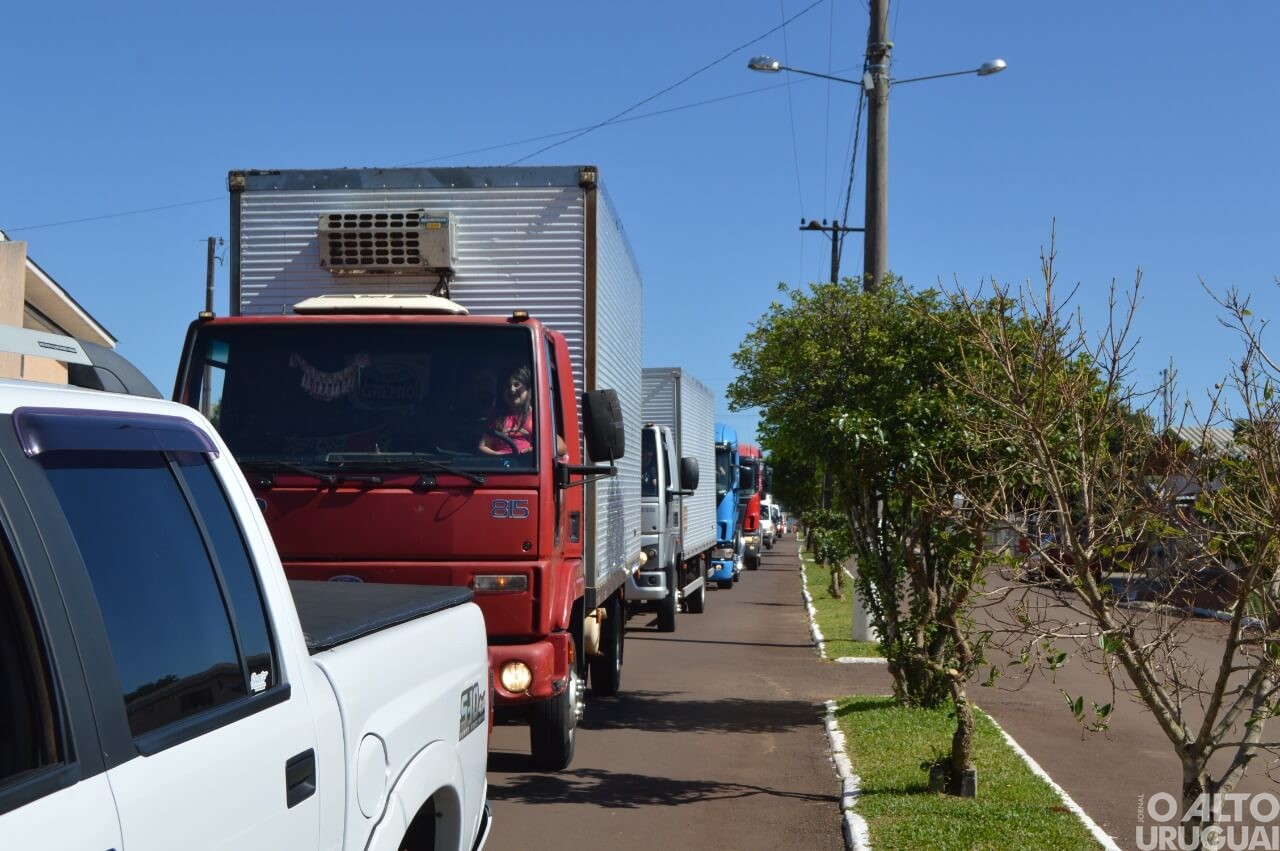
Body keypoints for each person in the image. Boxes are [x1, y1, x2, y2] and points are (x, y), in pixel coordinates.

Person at [479, 366, 534, 455]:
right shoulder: (496, 417)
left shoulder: (537, 417)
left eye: (517, 384)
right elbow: (483, 446)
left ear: (528, 390)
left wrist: (532, 451)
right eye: (507, 386)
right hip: (501, 466)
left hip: (527, 466)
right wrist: (500, 456)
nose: (512, 390)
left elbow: (557, 446)